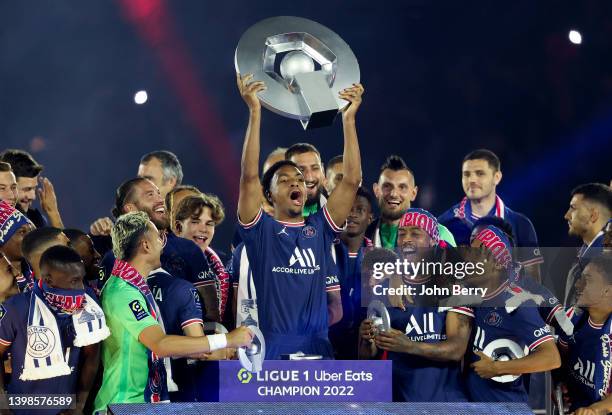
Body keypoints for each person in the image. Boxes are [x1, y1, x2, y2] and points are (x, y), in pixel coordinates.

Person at [235, 72, 363, 359]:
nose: (296, 182)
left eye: (299, 179)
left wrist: (349, 119)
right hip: (273, 349)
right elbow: (248, 177)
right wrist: (255, 112)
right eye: (284, 179)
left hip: (319, 347)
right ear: (268, 195)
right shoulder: (260, 232)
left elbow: (352, 180)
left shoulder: (320, 229)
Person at [94, 211, 252, 412]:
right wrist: (227, 340)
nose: (163, 243)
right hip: (124, 404)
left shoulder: (131, 285)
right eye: (158, 237)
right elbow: (160, 345)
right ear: (146, 245)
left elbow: (159, 348)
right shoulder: (123, 292)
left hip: (139, 404)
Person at [359, 208, 473, 401]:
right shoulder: (385, 288)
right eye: (402, 233)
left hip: (445, 403)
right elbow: (368, 357)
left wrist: (410, 345)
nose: (407, 239)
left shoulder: (454, 285)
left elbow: (456, 349)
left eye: (416, 233)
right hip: (400, 401)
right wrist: (366, 338)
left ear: (433, 241)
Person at [0, 245, 108, 415]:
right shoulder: (17, 308)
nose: (81, 288)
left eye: (81, 279)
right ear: (49, 280)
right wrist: (4, 407)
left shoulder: (88, 305)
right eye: (74, 281)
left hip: (64, 408)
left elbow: (92, 357)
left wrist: (78, 405)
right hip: (21, 408)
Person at [463, 225, 561, 403]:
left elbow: (551, 357)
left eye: (477, 252)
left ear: (499, 262)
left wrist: (497, 367)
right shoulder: (470, 296)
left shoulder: (518, 303)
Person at [101, 177, 219, 321]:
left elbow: (211, 312)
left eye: (159, 193)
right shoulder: (111, 259)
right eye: (150, 195)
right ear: (131, 209)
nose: (161, 199)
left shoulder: (187, 248)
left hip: (187, 340)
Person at [438, 149, 543, 279]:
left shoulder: (520, 224)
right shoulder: (444, 224)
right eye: (466, 174)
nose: (471, 180)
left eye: (480, 173)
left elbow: (534, 282)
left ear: (497, 177)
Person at [557, 255, 612, 414]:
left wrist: (593, 410)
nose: (577, 284)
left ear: (607, 290)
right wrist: (557, 385)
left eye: (587, 280)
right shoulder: (570, 319)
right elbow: (559, 362)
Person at [367, 155, 456, 249]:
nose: (393, 194)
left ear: (413, 193)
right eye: (387, 186)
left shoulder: (439, 233)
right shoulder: (363, 234)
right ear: (376, 190)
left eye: (402, 187)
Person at [89, 150, 183, 237]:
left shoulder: (189, 226)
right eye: (139, 178)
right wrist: (97, 234)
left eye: (148, 179)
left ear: (171, 181)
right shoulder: (123, 231)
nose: (141, 184)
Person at [329, 187, 374, 359]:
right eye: (348, 208)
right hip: (326, 346)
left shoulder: (379, 258)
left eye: (360, 210)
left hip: (362, 349)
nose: (352, 214)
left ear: (370, 218)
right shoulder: (324, 251)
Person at [173, 194, 229, 322]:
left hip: (213, 337)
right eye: (195, 222)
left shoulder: (221, 265)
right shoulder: (163, 263)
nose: (203, 229)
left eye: (209, 224)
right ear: (178, 227)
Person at [563, 183, 612, 305]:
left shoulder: (603, 258)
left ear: (593, 215)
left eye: (573, 208)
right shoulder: (586, 253)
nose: (566, 215)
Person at [0, 149, 64, 228]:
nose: (33, 196)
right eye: (26, 189)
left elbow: (62, 240)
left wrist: (53, 213)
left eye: (34, 188)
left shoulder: (37, 220)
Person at [285, 143, 328, 217]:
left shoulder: (339, 212)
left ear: (323, 171)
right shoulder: (270, 216)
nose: (309, 178)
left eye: (315, 168)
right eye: (301, 170)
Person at [0, 201, 34, 292]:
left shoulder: (37, 271)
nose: (30, 237)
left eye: (30, 230)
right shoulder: (3, 286)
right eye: (22, 232)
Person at [64, 229, 103, 295]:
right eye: (91, 251)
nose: (98, 255)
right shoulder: (78, 300)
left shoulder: (91, 288)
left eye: (94, 248)